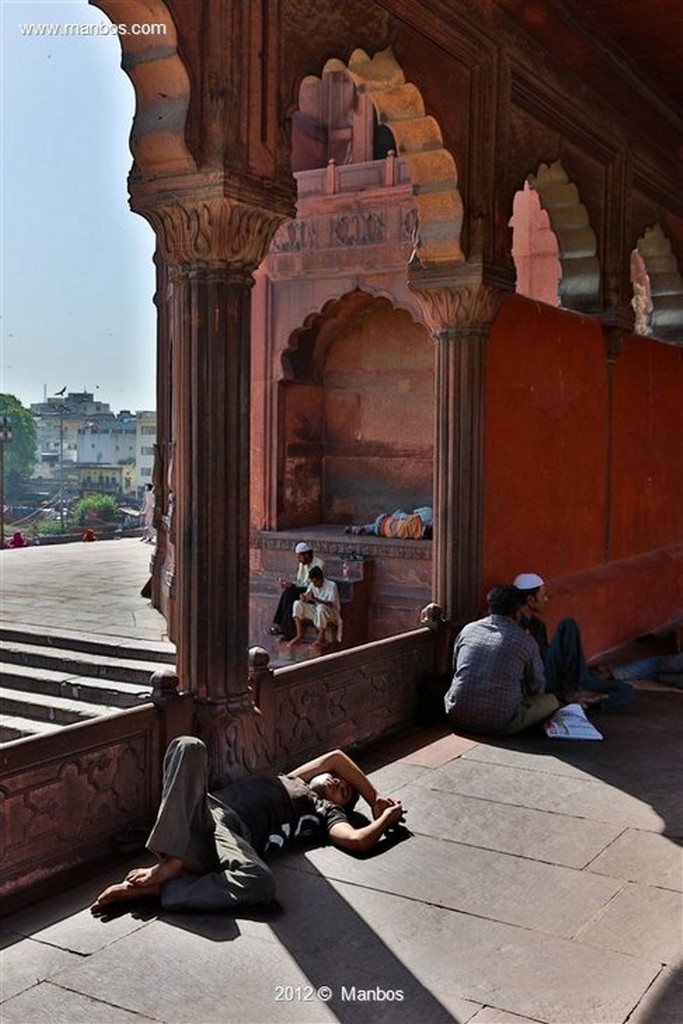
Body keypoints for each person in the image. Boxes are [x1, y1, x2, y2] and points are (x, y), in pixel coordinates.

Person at [90, 735, 404, 914]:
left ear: (338, 805)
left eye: (343, 790)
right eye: (338, 780)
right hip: (203, 813)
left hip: (226, 838)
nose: (338, 781)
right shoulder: (294, 778)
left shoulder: (324, 812)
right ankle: (172, 861)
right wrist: (373, 796)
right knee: (188, 746)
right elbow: (336, 758)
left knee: (260, 882)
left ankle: (161, 891)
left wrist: (385, 820)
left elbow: (358, 840)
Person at [444, 585, 560, 735]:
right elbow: (537, 686)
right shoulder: (525, 640)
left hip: (457, 716)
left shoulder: (468, 630)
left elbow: (457, 669)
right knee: (552, 701)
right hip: (503, 722)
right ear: (518, 612)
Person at [513, 572, 634, 711]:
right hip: (541, 683)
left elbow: (548, 656)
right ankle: (573, 692)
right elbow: (532, 671)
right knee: (567, 625)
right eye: (543, 595)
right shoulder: (513, 626)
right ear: (530, 600)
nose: (546, 599)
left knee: (625, 690)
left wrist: (570, 667)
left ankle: (589, 702)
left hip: (558, 677)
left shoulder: (538, 625)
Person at [269, 542, 324, 640]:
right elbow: (300, 581)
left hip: (314, 591)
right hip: (303, 588)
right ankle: (283, 627)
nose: (299, 559)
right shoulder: (302, 565)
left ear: (307, 555)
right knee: (288, 594)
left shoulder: (319, 564)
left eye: (300, 556)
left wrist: (294, 586)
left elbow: (312, 584)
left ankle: (280, 625)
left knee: (289, 593)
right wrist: (290, 584)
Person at [288, 565, 342, 653]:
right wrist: (303, 598)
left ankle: (321, 638)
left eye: (315, 581)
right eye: (312, 582)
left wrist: (315, 599)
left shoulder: (332, 586)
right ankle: (299, 636)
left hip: (331, 613)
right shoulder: (312, 585)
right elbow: (307, 596)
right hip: (317, 611)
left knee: (321, 608)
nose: (314, 584)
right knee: (297, 604)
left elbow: (331, 604)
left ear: (321, 579)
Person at [345, 506, 433, 539]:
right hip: (385, 532)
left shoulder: (424, 515)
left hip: (385, 524)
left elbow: (414, 512)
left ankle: (364, 528)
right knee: (376, 527)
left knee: (398, 515)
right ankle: (365, 528)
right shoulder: (418, 535)